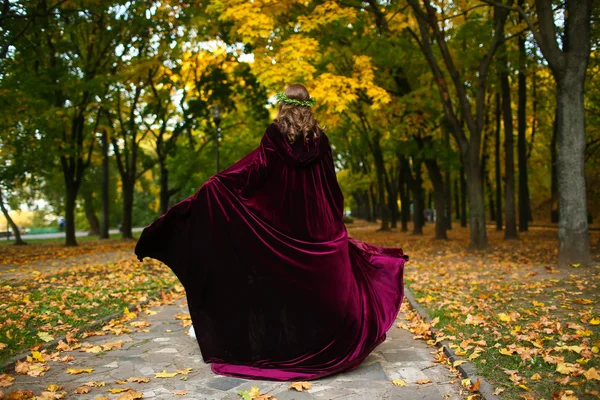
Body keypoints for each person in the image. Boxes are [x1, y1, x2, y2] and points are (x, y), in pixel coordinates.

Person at [134, 84, 408, 381]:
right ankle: (319, 342)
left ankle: (283, 346)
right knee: (321, 290)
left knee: (280, 284)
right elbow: (330, 184)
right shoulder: (321, 139)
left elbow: (253, 171)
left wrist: (220, 184)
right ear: (309, 106)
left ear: (283, 105)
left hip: (283, 226)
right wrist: (333, 220)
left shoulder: (275, 135)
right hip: (316, 227)